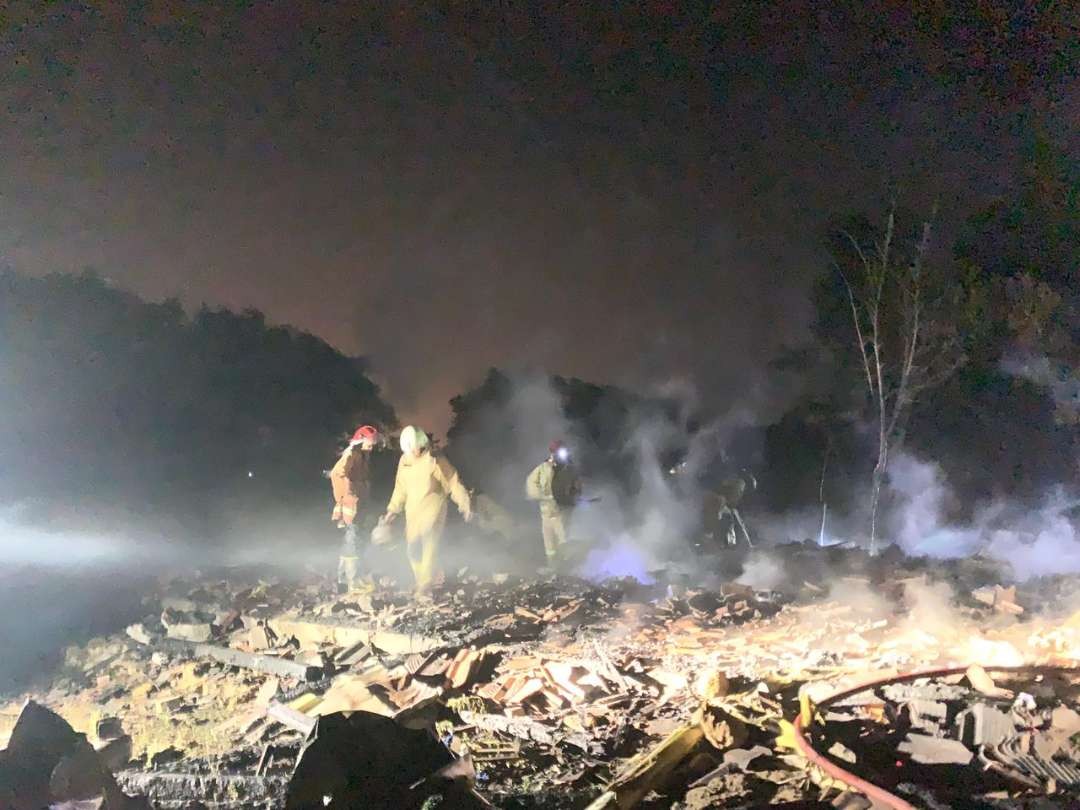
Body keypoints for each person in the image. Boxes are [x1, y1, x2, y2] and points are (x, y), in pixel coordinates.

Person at [381, 426, 472, 596]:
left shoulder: (435, 460)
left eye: (416, 447)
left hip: (434, 509)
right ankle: (422, 580)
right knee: (412, 549)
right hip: (413, 512)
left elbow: (453, 482)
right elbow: (399, 489)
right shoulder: (405, 461)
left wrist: (464, 503)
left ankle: (425, 584)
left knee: (429, 545)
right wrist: (391, 512)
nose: (414, 451)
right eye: (410, 448)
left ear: (423, 443)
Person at [329, 425, 380, 591]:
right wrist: (347, 494)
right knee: (352, 540)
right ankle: (352, 581)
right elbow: (337, 473)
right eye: (370, 442)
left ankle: (344, 579)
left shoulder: (363, 456)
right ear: (361, 440)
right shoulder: (351, 454)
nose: (372, 446)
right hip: (352, 506)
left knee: (354, 540)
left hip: (360, 504)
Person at [525, 440, 582, 568]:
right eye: (556, 452)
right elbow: (531, 483)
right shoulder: (543, 468)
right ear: (552, 452)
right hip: (546, 512)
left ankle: (569, 567)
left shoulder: (569, 469)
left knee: (563, 539)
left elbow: (577, 486)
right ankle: (553, 568)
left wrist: (574, 495)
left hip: (561, 511)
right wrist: (542, 496)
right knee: (549, 544)